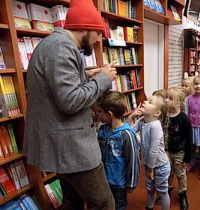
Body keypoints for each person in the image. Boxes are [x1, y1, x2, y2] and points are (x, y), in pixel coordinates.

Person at [23, 0, 117, 209]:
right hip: (72, 149)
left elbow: (54, 84)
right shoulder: (62, 48)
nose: (99, 39)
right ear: (85, 27)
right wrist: (102, 80)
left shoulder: (55, 44)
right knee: (104, 203)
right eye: (98, 33)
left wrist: (85, 74)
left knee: (72, 202)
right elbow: (70, 100)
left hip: (62, 146)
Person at [97, 91, 140, 210]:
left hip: (118, 185)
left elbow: (133, 161)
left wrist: (131, 184)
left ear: (109, 114)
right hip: (103, 181)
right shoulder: (102, 130)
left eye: (100, 112)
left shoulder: (127, 134)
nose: (97, 115)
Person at [128, 95, 171, 210]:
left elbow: (154, 150)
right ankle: (149, 207)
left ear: (156, 113)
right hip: (149, 165)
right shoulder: (142, 121)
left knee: (162, 192)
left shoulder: (155, 126)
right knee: (150, 190)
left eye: (150, 102)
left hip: (159, 165)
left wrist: (151, 169)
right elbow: (129, 132)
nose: (145, 101)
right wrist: (131, 116)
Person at [162, 86, 192, 210]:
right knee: (167, 172)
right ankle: (167, 191)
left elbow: (190, 138)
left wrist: (187, 157)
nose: (166, 101)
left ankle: (182, 193)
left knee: (180, 173)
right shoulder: (164, 116)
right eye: (166, 98)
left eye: (170, 98)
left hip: (180, 151)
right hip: (166, 150)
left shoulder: (184, 119)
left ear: (179, 102)